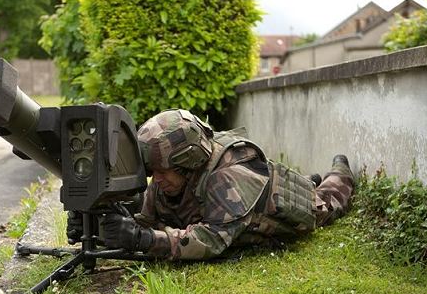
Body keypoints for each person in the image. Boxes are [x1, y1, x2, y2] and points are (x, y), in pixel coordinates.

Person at [83, 109, 355, 260]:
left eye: (163, 171)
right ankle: (310, 178)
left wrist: (144, 240)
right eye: (153, 171)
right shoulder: (169, 176)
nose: (156, 179)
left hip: (279, 203)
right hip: (245, 195)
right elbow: (147, 219)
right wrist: (103, 225)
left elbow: (211, 239)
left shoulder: (228, 179)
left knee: (325, 200)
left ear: (187, 163)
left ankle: (337, 172)